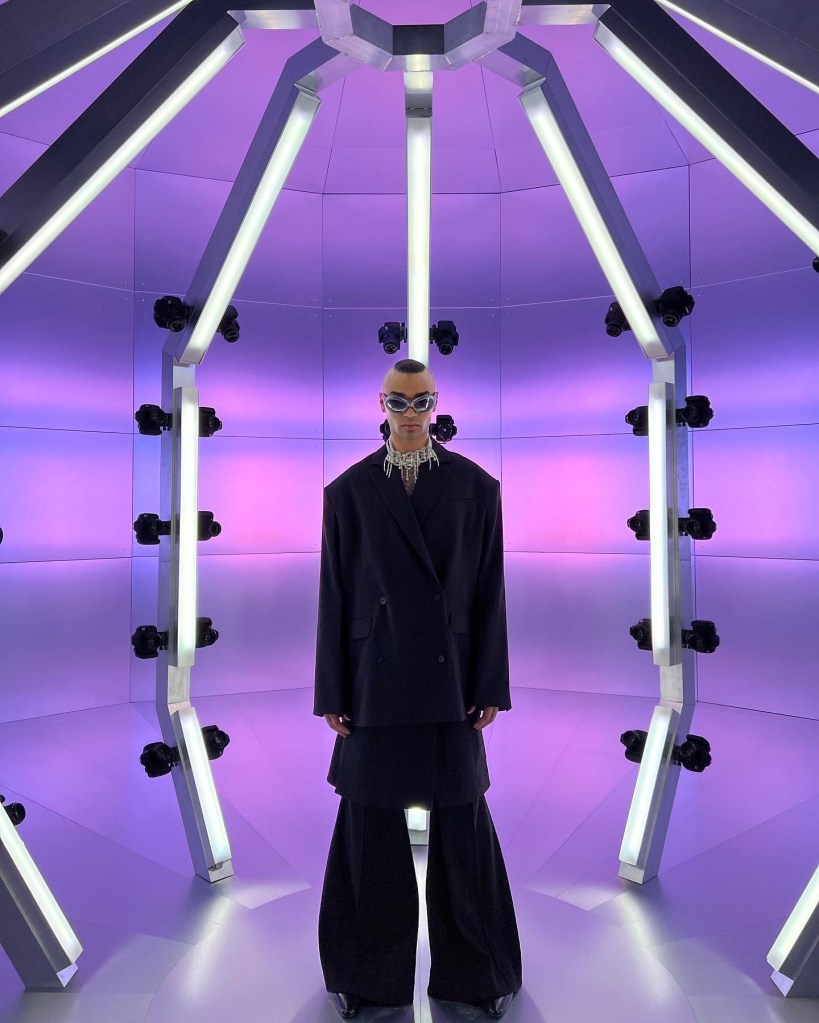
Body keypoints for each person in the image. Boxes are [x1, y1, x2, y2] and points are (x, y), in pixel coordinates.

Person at [314, 358, 522, 1019]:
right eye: (398, 401)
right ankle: (366, 977)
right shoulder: (347, 491)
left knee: (462, 829)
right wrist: (331, 690)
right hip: (373, 682)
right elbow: (333, 593)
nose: (410, 413)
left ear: (436, 404)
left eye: (421, 401)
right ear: (380, 404)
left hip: (450, 679)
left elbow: (489, 592)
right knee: (368, 830)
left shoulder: (476, 487)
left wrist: (489, 682)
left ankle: (477, 974)